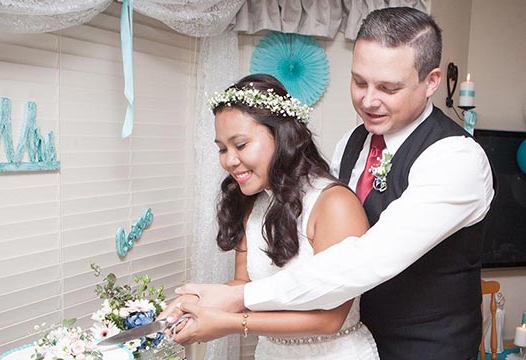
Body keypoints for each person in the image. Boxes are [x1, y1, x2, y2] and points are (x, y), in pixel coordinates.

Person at [167, 7, 495, 360]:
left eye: (388, 87)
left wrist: (238, 301)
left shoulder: (457, 159)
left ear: (431, 81)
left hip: (427, 348)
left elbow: (365, 259)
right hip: (356, 341)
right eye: (359, 82)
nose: (368, 101)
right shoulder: (353, 143)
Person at [162, 73, 379, 359]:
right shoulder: (253, 202)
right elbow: (244, 286)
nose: (229, 160)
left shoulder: (334, 204)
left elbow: (329, 319)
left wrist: (228, 323)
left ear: (281, 136)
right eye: (222, 149)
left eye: (240, 145)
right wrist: (196, 301)